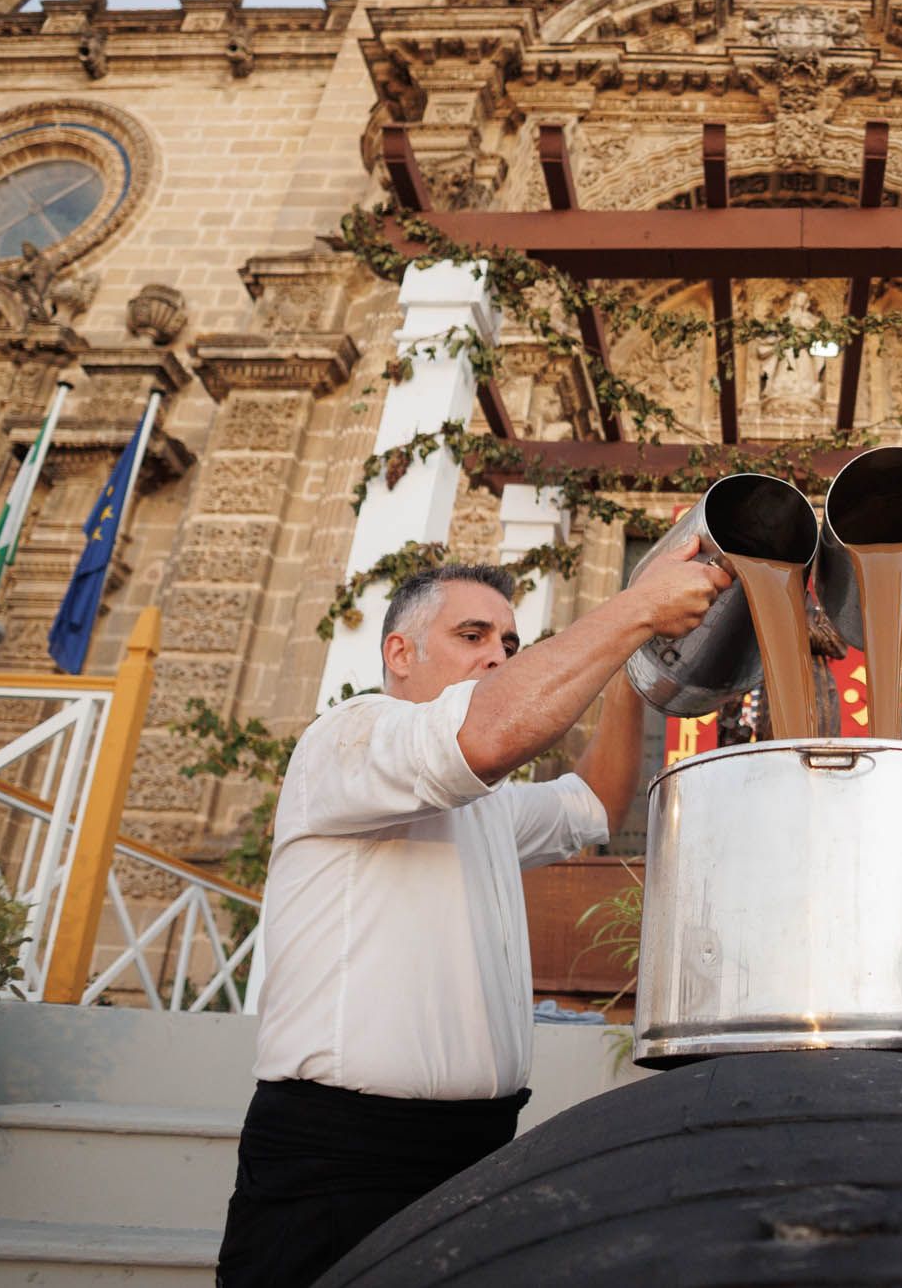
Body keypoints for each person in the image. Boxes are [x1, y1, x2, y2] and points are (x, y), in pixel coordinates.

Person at [216, 543, 730, 1288]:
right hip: (343, 1155)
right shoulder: (350, 739)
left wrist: (635, 658)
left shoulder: (484, 803)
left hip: (477, 1146)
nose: (497, 656)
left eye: (509, 644)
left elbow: (595, 802)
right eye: (472, 636)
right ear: (399, 651)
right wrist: (634, 607)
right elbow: (490, 734)